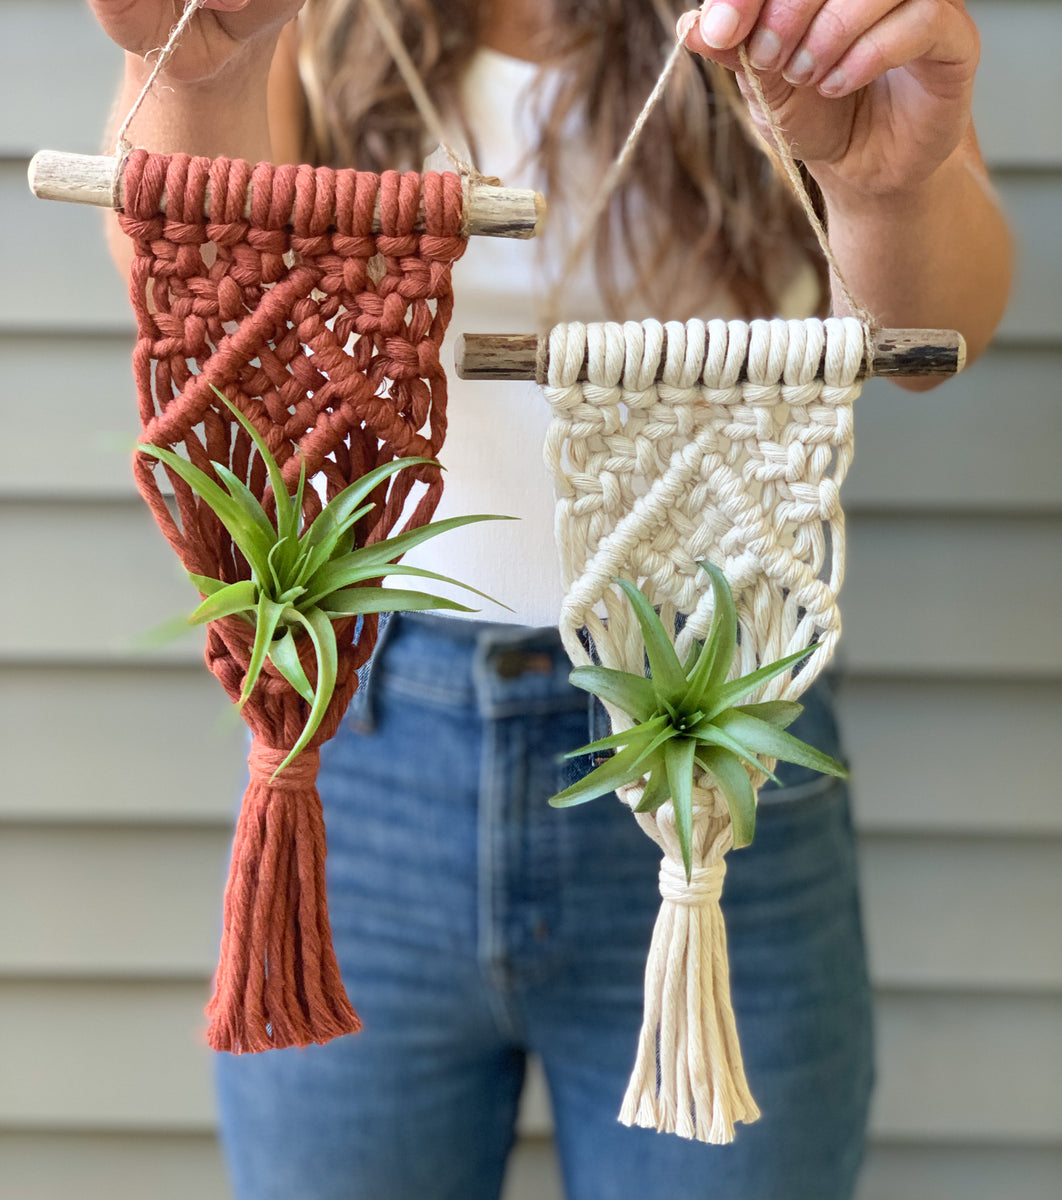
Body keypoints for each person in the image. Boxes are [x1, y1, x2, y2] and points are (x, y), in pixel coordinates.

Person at [89, 2, 1012, 1198]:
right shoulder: (320, 19)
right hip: (358, 747)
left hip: (718, 739)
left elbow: (944, 329)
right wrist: (211, 66)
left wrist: (886, 189)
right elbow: (181, 277)